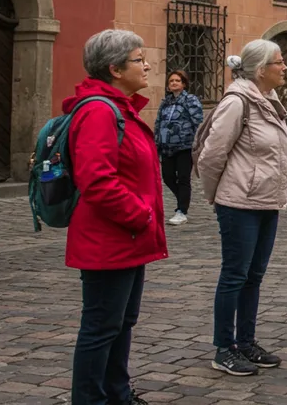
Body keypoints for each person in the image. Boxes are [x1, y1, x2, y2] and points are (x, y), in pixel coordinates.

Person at [67, 30, 167, 405]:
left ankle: (117, 394)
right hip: (108, 239)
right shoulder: (98, 110)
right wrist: (140, 216)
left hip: (127, 238)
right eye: (139, 59)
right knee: (100, 327)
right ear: (114, 69)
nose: (147, 65)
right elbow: (97, 181)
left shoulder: (120, 107)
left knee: (120, 324)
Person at [198, 40, 287, 377]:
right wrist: (216, 195)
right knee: (235, 275)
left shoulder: (270, 99)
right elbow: (211, 155)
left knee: (254, 276)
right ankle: (224, 348)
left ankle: (246, 342)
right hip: (239, 203)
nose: (285, 68)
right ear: (260, 69)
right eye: (279, 62)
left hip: (267, 202)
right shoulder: (237, 102)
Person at [154, 70, 203, 225]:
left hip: (184, 146)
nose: (173, 83)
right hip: (167, 146)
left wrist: (198, 142)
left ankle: (181, 210)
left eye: (177, 80)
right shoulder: (165, 102)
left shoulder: (190, 100)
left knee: (183, 178)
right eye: (171, 81)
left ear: (183, 84)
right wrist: (156, 142)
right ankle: (183, 198)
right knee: (167, 177)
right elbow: (158, 123)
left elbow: (198, 122)